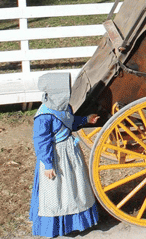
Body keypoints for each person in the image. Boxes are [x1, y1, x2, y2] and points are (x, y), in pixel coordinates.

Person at [29, 73, 100, 238]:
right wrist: (48, 164)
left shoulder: (65, 108)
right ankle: (56, 226)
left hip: (70, 154)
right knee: (56, 191)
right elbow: (41, 142)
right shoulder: (44, 116)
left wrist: (85, 120)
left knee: (75, 187)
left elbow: (70, 122)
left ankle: (77, 222)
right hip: (57, 157)